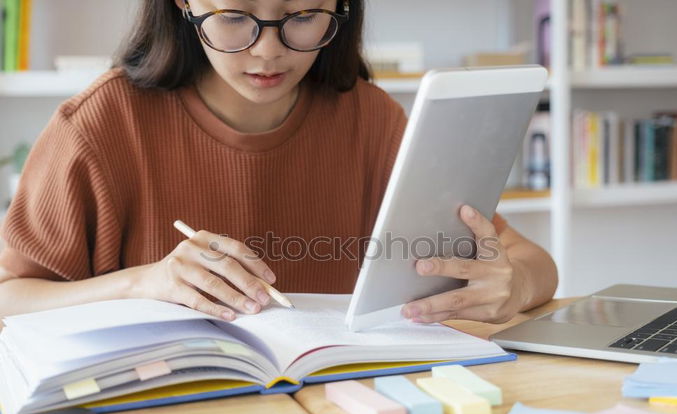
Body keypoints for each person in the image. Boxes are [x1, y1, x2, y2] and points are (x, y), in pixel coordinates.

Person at [0, 0, 557, 325]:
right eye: (236, 16)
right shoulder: (101, 123)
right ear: (185, 5)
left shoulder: (370, 118)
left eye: (303, 16)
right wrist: (142, 284)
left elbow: (534, 264)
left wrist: (511, 286)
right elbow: (10, 296)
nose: (269, 50)